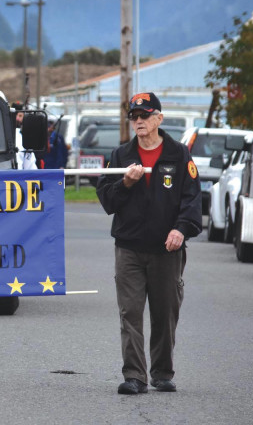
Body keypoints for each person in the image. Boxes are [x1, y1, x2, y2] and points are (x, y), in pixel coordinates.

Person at [96, 92, 202, 395]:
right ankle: (134, 376)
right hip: (129, 247)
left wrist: (181, 229)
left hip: (166, 249)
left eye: (145, 115)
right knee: (130, 312)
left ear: (159, 118)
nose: (139, 121)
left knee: (165, 312)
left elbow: (192, 198)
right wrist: (126, 182)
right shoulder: (120, 155)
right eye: (134, 117)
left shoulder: (179, 154)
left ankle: (162, 372)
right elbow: (106, 199)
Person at [11, 102, 37, 170]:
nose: (17, 119)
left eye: (20, 116)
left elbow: (30, 169)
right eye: (16, 115)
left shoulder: (24, 139)